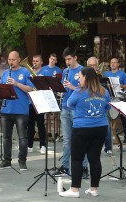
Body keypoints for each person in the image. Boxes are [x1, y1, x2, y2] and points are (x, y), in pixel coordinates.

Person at [59, 67, 111, 198]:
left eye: (80, 77)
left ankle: (75, 189)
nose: (78, 80)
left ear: (85, 78)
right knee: (94, 158)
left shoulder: (78, 91)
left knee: (77, 158)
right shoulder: (104, 91)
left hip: (82, 128)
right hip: (100, 128)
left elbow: (69, 104)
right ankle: (94, 189)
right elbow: (107, 107)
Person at [0, 51, 35, 171]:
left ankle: (22, 160)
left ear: (19, 60)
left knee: (22, 137)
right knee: (6, 137)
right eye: (9, 60)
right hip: (6, 109)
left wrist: (16, 84)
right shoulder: (6, 73)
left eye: (13, 59)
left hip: (21, 109)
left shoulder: (25, 72)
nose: (11, 62)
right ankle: (6, 160)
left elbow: (31, 89)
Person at [53, 47, 89, 178]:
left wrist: (73, 87)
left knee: (81, 139)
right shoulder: (65, 71)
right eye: (66, 60)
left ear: (75, 57)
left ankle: (84, 167)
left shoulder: (83, 70)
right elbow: (63, 87)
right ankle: (65, 166)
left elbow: (87, 90)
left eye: (69, 59)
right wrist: (60, 90)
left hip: (77, 110)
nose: (67, 62)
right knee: (67, 140)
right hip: (65, 107)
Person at [87, 56, 113, 155]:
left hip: (101, 103)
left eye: (94, 65)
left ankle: (108, 147)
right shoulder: (84, 76)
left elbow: (107, 91)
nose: (92, 67)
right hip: (89, 103)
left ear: (97, 66)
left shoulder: (102, 77)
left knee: (107, 126)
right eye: (90, 65)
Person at [104, 57, 126, 143]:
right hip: (109, 98)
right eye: (111, 62)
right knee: (108, 118)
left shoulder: (122, 74)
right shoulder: (106, 74)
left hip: (120, 98)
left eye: (115, 62)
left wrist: (120, 85)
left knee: (124, 118)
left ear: (118, 64)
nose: (113, 64)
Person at [27, 54, 48, 154]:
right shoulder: (29, 72)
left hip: (40, 101)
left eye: (37, 61)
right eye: (33, 61)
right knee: (30, 124)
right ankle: (29, 145)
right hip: (30, 100)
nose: (34, 63)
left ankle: (43, 145)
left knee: (40, 124)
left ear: (41, 62)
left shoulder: (45, 72)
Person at [41, 53, 62, 141]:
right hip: (46, 93)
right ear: (49, 59)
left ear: (56, 61)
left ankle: (56, 132)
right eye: (51, 59)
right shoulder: (44, 69)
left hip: (55, 93)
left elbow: (59, 82)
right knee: (47, 114)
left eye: (54, 59)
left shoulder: (58, 70)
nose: (52, 61)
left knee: (55, 114)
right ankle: (48, 132)